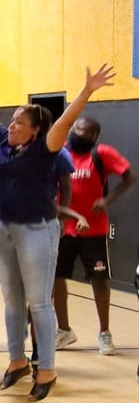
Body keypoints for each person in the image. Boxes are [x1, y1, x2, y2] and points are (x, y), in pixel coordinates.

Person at [0, 59, 115, 401]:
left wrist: (87, 90)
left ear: (35, 130)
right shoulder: (4, 141)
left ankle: (46, 368)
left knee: (39, 302)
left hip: (37, 231)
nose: (12, 125)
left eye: (20, 122)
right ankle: (17, 360)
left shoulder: (46, 148)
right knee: (12, 301)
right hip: (4, 228)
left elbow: (65, 121)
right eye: (13, 120)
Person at [52, 117, 134, 354]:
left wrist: (107, 200)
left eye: (85, 132)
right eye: (76, 129)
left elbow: (130, 176)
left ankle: (104, 332)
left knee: (99, 280)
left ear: (94, 137)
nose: (79, 134)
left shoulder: (102, 154)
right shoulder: (61, 152)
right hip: (64, 228)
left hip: (94, 230)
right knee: (57, 278)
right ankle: (64, 330)